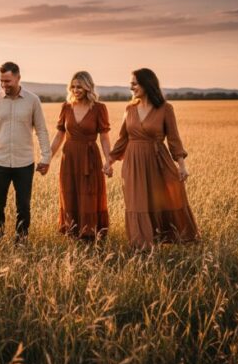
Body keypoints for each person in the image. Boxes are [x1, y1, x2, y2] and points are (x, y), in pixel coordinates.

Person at [110, 68, 200, 249]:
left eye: (134, 83)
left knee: (164, 199)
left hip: (158, 162)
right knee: (137, 202)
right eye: (131, 84)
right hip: (133, 163)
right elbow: (123, 139)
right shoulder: (130, 109)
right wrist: (109, 161)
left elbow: (174, 139)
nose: (131, 87)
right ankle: (142, 246)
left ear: (146, 84)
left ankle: (169, 236)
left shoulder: (165, 109)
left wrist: (182, 166)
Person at [0, 62, 51, 243]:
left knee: (23, 206)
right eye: (1, 81)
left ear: (18, 78)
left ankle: (21, 241)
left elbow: (41, 130)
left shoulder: (33, 100)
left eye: (8, 81)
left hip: (24, 163)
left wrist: (46, 157)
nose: (4, 85)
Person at [49, 71, 112, 241]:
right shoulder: (66, 107)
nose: (76, 90)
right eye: (73, 86)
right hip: (68, 158)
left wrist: (109, 161)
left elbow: (104, 137)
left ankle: (91, 234)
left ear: (88, 87)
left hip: (89, 158)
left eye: (80, 86)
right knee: (69, 194)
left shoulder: (99, 108)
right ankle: (72, 233)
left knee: (89, 195)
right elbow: (59, 135)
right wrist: (47, 158)